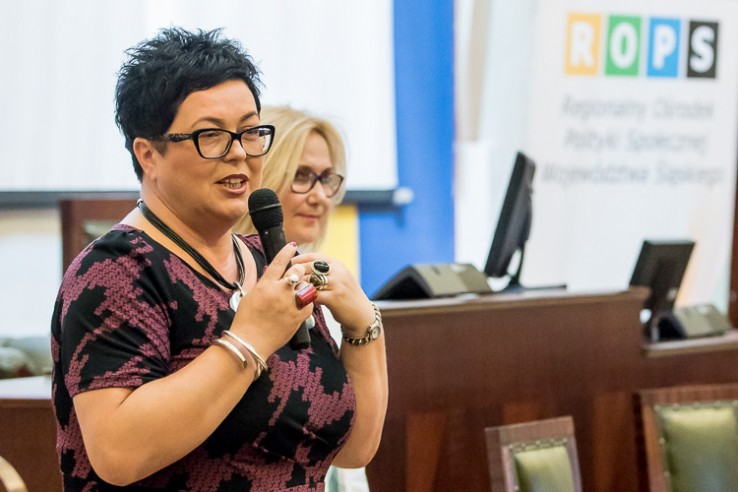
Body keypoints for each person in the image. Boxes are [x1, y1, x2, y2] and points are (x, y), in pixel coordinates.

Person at [51, 27, 388, 491]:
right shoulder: (118, 269)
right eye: (211, 136)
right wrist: (249, 339)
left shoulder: (270, 262)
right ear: (148, 155)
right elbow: (119, 454)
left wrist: (363, 326)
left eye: (250, 132)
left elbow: (350, 450)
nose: (239, 154)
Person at [238, 106, 370, 491]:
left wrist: (366, 323)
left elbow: (352, 451)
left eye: (326, 179)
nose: (320, 196)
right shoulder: (225, 284)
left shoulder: (310, 281)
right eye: (301, 176)